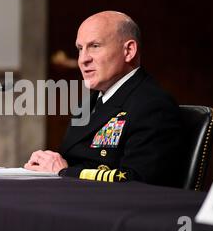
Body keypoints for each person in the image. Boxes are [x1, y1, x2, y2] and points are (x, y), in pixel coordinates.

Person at [24, 11, 184, 187]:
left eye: (95, 46)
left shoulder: (153, 105)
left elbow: (138, 183)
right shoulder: (91, 101)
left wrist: (63, 172)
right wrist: (45, 164)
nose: (83, 59)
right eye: (80, 49)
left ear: (129, 51)